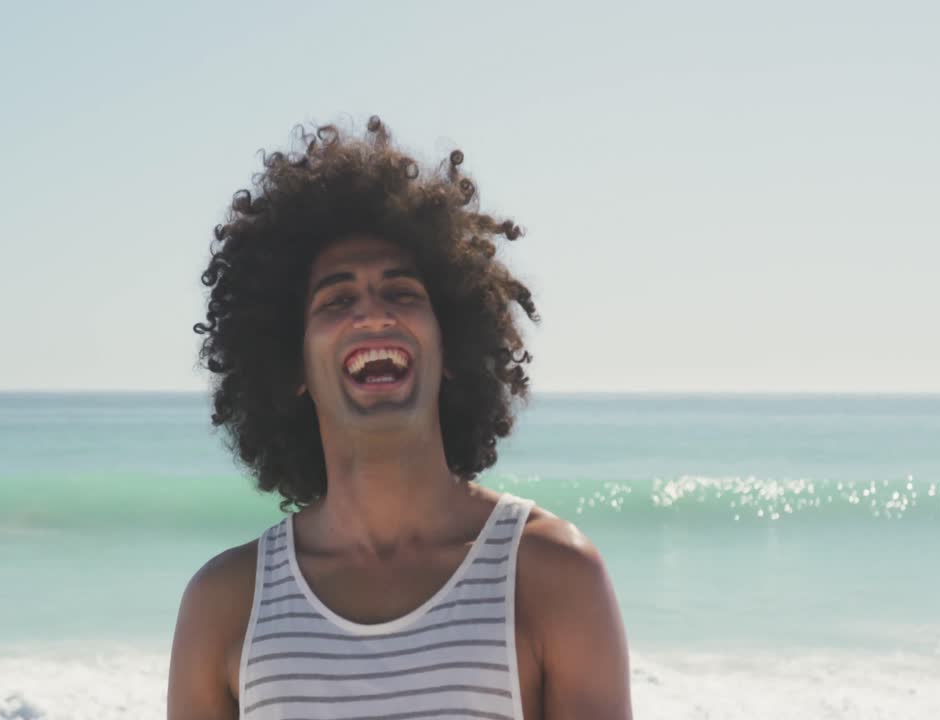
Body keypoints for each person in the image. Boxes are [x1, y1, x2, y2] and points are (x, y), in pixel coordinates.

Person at [168, 116, 631, 720]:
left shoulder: (551, 575)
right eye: (337, 299)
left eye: (403, 292)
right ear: (293, 364)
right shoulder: (227, 604)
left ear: (453, 348)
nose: (373, 314)